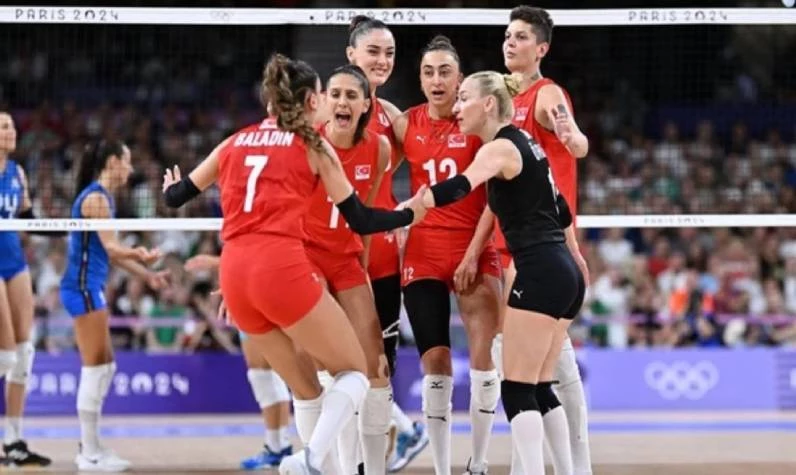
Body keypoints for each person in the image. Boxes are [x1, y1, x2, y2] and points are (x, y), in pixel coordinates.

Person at [162, 53, 426, 475]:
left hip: (236, 274)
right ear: (311, 101)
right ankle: (309, 458)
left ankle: (314, 461)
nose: (332, 102)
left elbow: (175, 197)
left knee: (305, 390)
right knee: (355, 373)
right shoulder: (313, 145)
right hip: (282, 266)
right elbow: (361, 218)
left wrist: (171, 187)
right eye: (325, 93)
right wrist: (410, 214)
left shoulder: (234, 141)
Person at [403, 70, 585, 475]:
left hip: (539, 271)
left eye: (464, 97)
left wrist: (414, 206)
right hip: (562, 272)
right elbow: (561, 209)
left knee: (517, 390)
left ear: (488, 103)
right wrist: (574, 256)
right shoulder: (528, 143)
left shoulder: (499, 147)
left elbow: (459, 186)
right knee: (541, 387)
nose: (456, 106)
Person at [464, 6, 593, 474]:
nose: (509, 42)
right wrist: (474, 249)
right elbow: (496, 195)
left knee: (546, 371)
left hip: (543, 247)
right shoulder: (497, 103)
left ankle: (572, 466)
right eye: (507, 35)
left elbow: (576, 141)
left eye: (520, 36)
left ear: (541, 48)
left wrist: (572, 137)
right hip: (513, 244)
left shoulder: (547, 94)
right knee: (532, 374)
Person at [387, 36, 501, 475]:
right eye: (428, 72)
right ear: (420, 79)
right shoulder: (406, 125)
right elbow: (376, 171)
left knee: (484, 361)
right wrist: (392, 220)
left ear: (460, 79)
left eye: (445, 72)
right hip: (424, 253)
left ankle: (479, 462)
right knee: (435, 363)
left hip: (475, 248)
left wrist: (473, 253)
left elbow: (495, 197)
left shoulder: (475, 122)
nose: (437, 80)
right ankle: (440, 467)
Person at [343, 15, 428, 470]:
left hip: (380, 253)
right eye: (373, 51)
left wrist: (407, 214)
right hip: (335, 251)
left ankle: (372, 461)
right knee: (336, 364)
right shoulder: (327, 107)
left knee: (380, 366)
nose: (382, 60)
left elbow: (428, 162)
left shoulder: (393, 116)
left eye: (389, 53)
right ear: (351, 54)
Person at [305, 64, 394, 475]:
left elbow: (367, 215)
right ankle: (327, 466)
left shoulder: (379, 148)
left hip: (346, 259)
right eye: (335, 94)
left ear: (365, 105)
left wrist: (365, 272)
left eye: (351, 96)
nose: (342, 101)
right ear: (324, 101)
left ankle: (370, 469)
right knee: (325, 365)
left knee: (376, 367)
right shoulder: (305, 141)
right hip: (306, 256)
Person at [59, 139, 169, 472]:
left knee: (105, 367)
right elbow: (113, 248)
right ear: (111, 163)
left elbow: (111, 253)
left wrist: (147, 276)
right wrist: (139, 254)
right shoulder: (95, 199)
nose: (131, 169)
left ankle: (92, 446)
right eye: (127, 161)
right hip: (82, 288)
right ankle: (89, 454)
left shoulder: (103, 197)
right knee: (95, 369)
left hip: (91, 287)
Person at [184, 254, 293, 471]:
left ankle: (278, 447)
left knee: (265, 374)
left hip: (258, 290)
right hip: (252, 289)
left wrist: (218, 264)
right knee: (266, 375)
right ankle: (279, 445)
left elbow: (254, 251)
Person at [0, 112, 51, 468]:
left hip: (14, 262)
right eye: (4, 126)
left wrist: (67, 227)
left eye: (12, 126)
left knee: (24, 353)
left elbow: (28, 219)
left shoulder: (17, 173)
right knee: (5, 356)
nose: (12, 131)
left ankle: (13, 440)